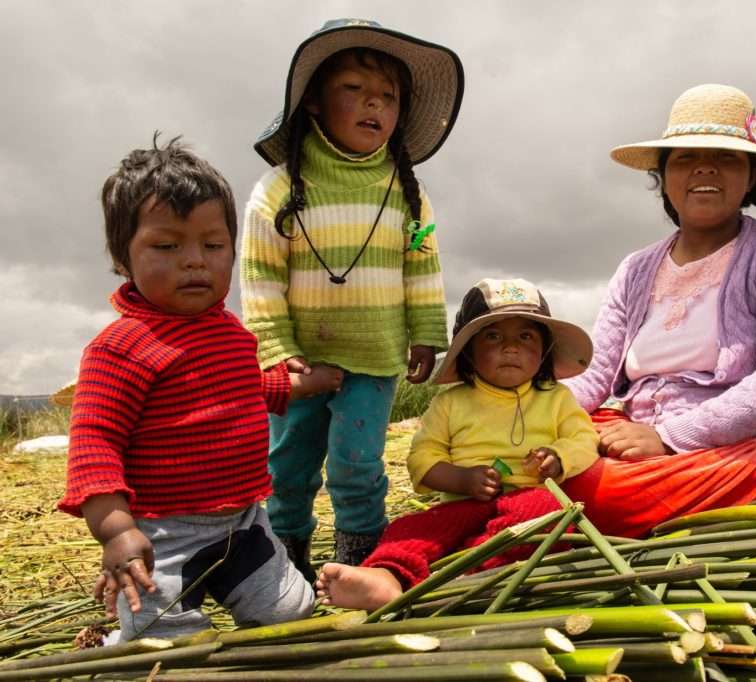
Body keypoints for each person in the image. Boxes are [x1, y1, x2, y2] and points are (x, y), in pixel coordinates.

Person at [59, 137, 343, 641]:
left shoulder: (231, 332)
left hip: (245, 520)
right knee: (165, 641)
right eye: (167, 246)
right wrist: (117, 530)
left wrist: (301, 385)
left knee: (291, 615)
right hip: (163, 535)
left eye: (212, 246)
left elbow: (243, 391)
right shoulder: (121, 348)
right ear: (123, 258)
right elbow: (94, 445)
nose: (195, 261)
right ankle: (110, 643)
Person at [560, 83, 756, 538]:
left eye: (726, 157)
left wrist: (669, 439)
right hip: (639, 431)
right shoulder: (635, 268)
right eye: (685, 157)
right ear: (663, 177)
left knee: (598, 494)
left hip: (745, 442)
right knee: (538, 453)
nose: (704, 166)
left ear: (751, 178)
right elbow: (596, 376)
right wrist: (524, 411)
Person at [240, 19, 465, 575]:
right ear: (313, 102)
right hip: (299, 362)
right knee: (287, 464)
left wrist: (427, 334)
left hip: (376, 354)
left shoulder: (406, 193)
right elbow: (260, 275)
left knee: (357, 465)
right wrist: (275, 346)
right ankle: (284, 561)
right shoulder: (278, 190)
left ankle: (361, 562)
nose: (375, 105)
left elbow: (422, 266)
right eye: (355, 90)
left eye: (388, 96)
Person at [315, 278, 599, 610]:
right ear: (468, 352)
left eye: (526, 336)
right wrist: (461, 478)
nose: (511, 348)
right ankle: (387, 576)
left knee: (543, 514)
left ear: (545, 351)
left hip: (529, 500)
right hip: (463, 504)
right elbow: (422, 456)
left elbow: (584, 439)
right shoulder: (451, 403)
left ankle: (465, 578)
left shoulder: (557, 398)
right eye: (493, 336)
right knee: (413, 528)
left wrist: (559, 456)